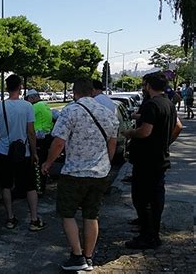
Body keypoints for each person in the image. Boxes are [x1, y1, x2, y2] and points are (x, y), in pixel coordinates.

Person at [42, 79, 119, 271]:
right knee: (91, 216)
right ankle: (89, 257)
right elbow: (112, 143)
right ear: (92, 92)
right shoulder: (107, 113)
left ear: (74, 92)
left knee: (67, 214)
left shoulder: (70, 111)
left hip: (74, 173)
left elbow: (59, 143)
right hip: (99, 174)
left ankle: (77, 256)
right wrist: (106, 163)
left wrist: (48, 163)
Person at [0, 75, 47, 232]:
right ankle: (34, 220)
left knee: (6, 185)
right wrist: (34, 152)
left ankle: (10, 218)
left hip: (3, 151)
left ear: (7, 88)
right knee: (30, 186)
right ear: (20, 87)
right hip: (24, 152)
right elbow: (31, 133)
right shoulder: (27, 106)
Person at [123, 72, 182, 249]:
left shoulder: (151, 104)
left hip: (146, 160)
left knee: (142, 198)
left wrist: (129, 133)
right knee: (156, 198)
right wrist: (166, 143)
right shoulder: (168, 103)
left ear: (148, 85)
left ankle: (148, 236)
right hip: (159, 159)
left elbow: (145, 132)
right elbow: (178, 126)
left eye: (144, 84)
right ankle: (151, 231)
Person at [25, 89, 53, 196]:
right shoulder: (45, 105)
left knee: (36, 164)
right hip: (46, 137)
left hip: (38, 139)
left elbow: (26, 119)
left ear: (32, 98)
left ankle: (38, 189)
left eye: (28, 100)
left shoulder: (35, 107)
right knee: (43, 163)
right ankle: (42, 187)